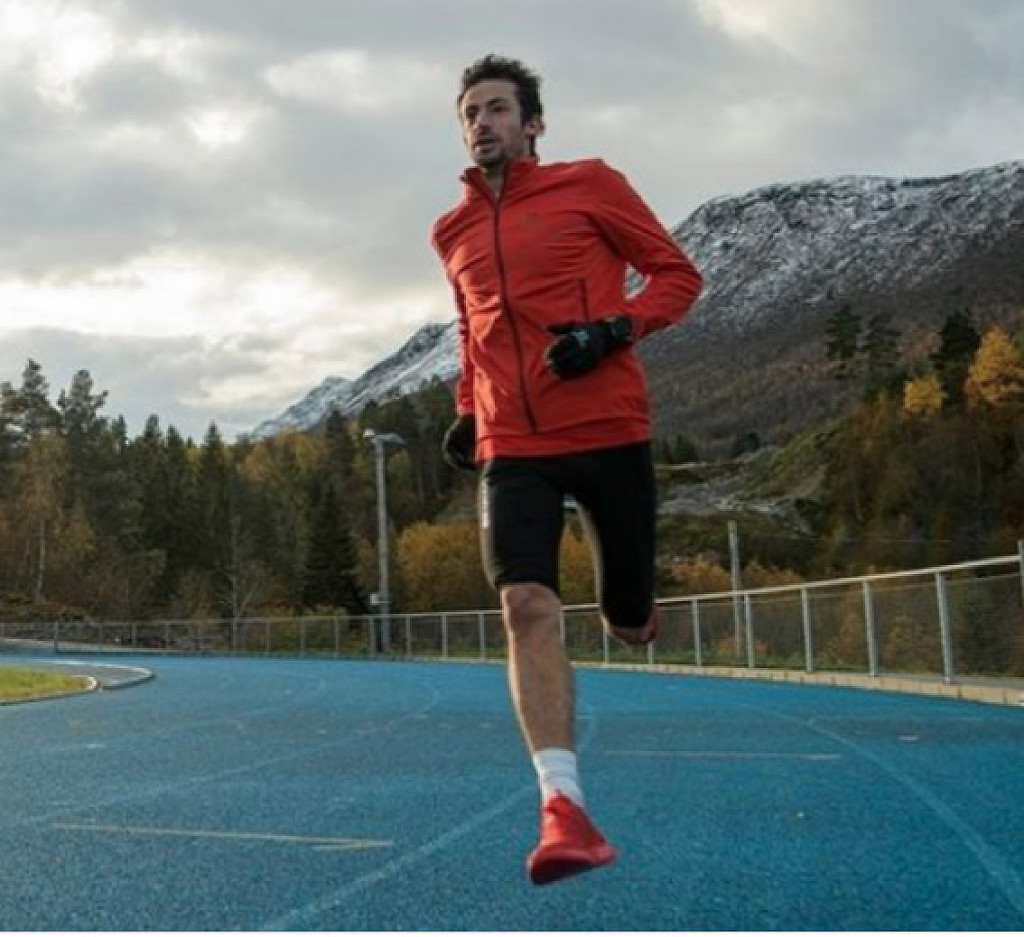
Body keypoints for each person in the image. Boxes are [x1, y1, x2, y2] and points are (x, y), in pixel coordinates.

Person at [430, 54, 703, 885]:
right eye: (471, 112)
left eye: (498, 108)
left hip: (607, 426)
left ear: (533, 123)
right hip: (513, 445)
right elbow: (472, 329)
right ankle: (563, 805)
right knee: (524, 603)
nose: (483, 123)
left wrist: (612, 331)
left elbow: (678, 276)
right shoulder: (451, 231)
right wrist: (469, 408)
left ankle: (635, 607)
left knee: (624, 617)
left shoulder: (591, 185)